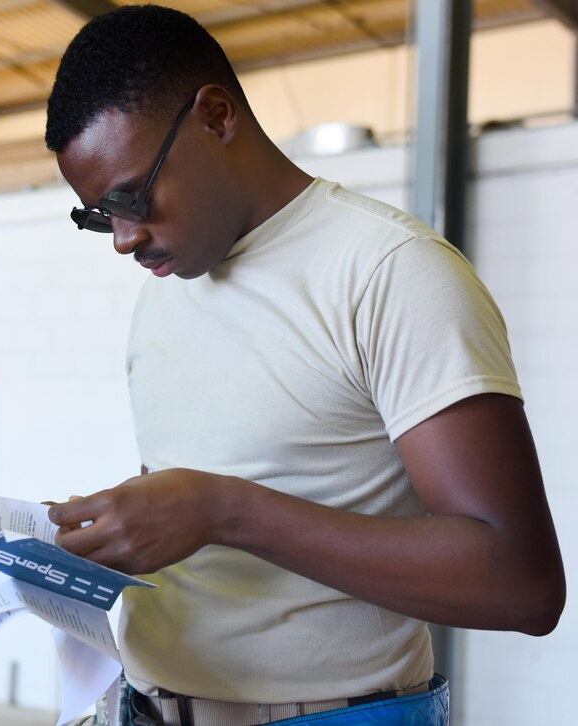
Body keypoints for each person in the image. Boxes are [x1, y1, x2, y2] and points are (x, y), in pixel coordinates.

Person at [43, 5, 565, 725]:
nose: (125, 240)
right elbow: (224, 485)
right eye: (99, 215)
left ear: (217, 117)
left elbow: (523, 583)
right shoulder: (166, 293)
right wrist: (123, 530)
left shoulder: (389, 273)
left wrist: (223, 510)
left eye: (132, 197)